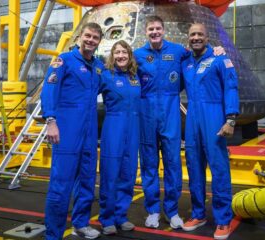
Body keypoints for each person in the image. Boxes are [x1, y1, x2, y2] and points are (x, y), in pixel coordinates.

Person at [134, 15, 225, 229]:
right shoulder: (137, 55)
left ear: (163, 30)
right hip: (146, 113)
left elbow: (199, 53)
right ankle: (153, 211)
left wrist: (217, 49)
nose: (154, 32)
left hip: (170, 113)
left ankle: (172, 211)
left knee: (173, 164)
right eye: (151, 29)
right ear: (146, 32)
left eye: (158, 28)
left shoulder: (178, 52)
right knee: (148, 164)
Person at [41, 23, 104, 240]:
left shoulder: (98, 66)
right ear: (80, 36)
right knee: (61, 185)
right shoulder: (64, 60)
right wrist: (50, 120)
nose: (90, 40)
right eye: (88, 36)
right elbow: (49, 89)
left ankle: (81, 223)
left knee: (87, 180)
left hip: (89, 132)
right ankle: (53, 234)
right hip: (67, 130)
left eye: (95, 38)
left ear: (99, 41)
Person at [181, 23, 239, 240]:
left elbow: (231, 87)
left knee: (219, 167)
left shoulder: (220, 58)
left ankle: (223, 219)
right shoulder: (185, 61)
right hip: (193, 116)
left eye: (200, 34)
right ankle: (198, 214)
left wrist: (231, 118)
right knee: (194, 166)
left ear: (207, 37)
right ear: (188, 38)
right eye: (192, 34)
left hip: (214, 116)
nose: (196, 37)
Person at [98, 40, 140, 235]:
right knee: (110, 173)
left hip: (133, 128)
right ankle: (107, 218)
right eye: (117, 52)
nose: (121, 56)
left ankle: (121, 216)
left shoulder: (135, 76)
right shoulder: (105, 75)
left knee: (128, 173)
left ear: (130, 55)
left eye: (124, 52)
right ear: (112, 56)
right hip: (113, 127)